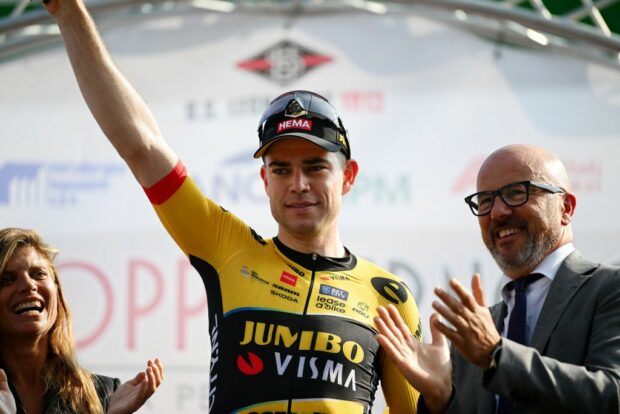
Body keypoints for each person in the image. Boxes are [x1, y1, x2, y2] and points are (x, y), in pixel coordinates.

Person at [42, 0, 422, 412]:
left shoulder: (390, 296)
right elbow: (141, 146)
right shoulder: (227, 247)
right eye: (281, 170)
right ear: (265, 180)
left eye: (314, 167)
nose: (298, 184)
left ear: (348, 177)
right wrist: (69, 13)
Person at [375, 144, 620, 413]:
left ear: (565, 208)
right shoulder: (478, 331)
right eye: (486, 200)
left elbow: (612, 395)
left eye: (516, 192)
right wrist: (441, 400)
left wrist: (497, 355)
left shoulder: (608, 289)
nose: (497, 212)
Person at [0, 227, 164, 414]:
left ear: (57, 293)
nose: (28, 285)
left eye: (39, 274)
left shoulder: (104, 393)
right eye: (7, 279)